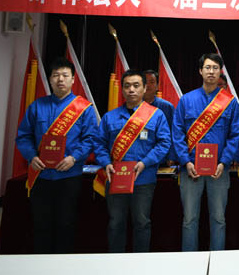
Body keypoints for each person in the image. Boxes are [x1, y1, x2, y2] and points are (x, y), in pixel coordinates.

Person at [16, 57, 97, 254]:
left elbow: (90, 139)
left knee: (66, 223)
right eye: (56, 75)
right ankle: (41, 264)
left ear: (73, 80)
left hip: (69, 175)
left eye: (65, 75)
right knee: (41, 223)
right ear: (50, 79)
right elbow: (24, 136)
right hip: (41, 175)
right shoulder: (37, 106)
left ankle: (62, 266)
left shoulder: (84, 108)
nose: (60, 79)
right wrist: (31, 156)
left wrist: (74, 158)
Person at [94, 69, 171, 253]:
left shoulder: (156, 115)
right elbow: (99, 144)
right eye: (127, 86)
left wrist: (145, 162)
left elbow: (164, 143)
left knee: (142, 223)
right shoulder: (110, 117)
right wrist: (106, 163)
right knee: (115, 223)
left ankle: (140, 265)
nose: (131, 90)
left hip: (143, 178)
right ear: (122, 89)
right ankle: (115, 262)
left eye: (136, 85)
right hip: (116, 178)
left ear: (144, 88)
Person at [172, 53, 239, 251]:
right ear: (200, 71)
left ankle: (217, 260)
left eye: (215, 68)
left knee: (219, 218)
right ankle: (189, 262)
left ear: (220, 72)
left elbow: (236, 135)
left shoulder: (230, 102)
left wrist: (224, 162)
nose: (211, 71)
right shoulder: (186, 100)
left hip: (219, 169)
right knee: (189, 219)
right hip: (190, 168)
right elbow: (177, 133)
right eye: (208, 67)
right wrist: (186, 161)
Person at [144, 69, 176, 165]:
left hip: (162, 157)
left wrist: (171, 156)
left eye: (152, 82)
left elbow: (174, 133)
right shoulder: (133, 106)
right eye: (145, 82)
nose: (148, 85)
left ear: (157, 86)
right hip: (139, 156)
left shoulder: (166, 107)